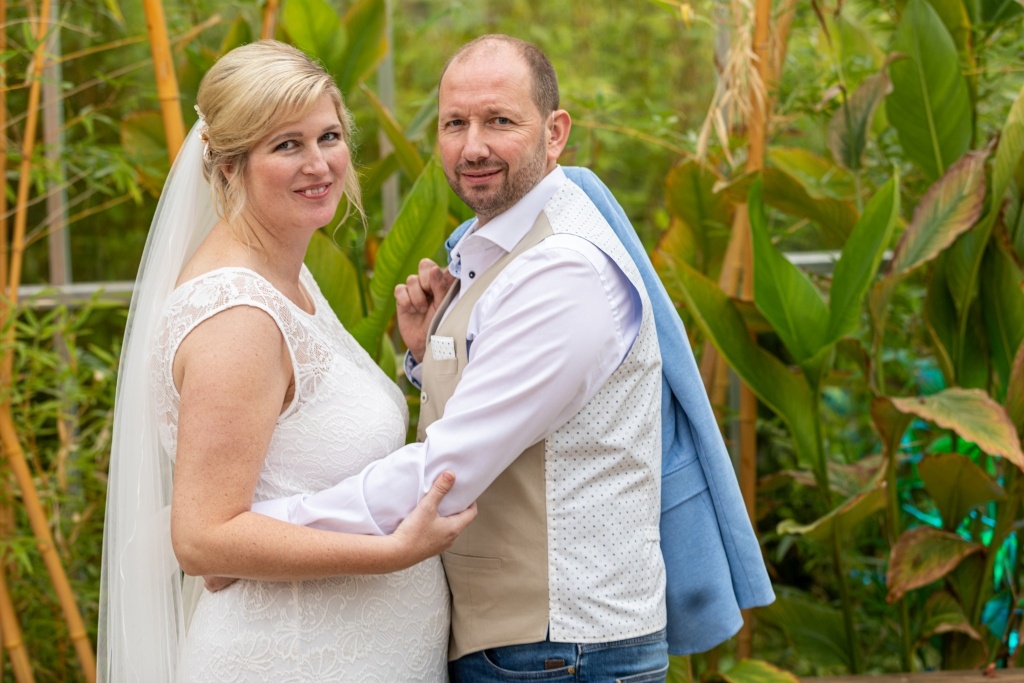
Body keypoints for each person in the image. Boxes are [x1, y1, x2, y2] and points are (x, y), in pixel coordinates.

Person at [252, 34, 774, 681]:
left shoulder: (563, 269)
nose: (473, 146)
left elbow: (449, 470)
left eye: (499, 121)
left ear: (555, 132)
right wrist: (426, 354)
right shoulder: (492, 243)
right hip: (541, 647)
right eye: (455, 123)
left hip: (563, 652)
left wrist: (264, 532)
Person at [96, 40, 476, 683]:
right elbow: (202, 538)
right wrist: (389, 554)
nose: (319, 164)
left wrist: (420, 355)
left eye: (328, 136)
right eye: (286, 145)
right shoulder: (238, 316)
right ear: (228, 165)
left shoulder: (287, 279)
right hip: (291, 659)